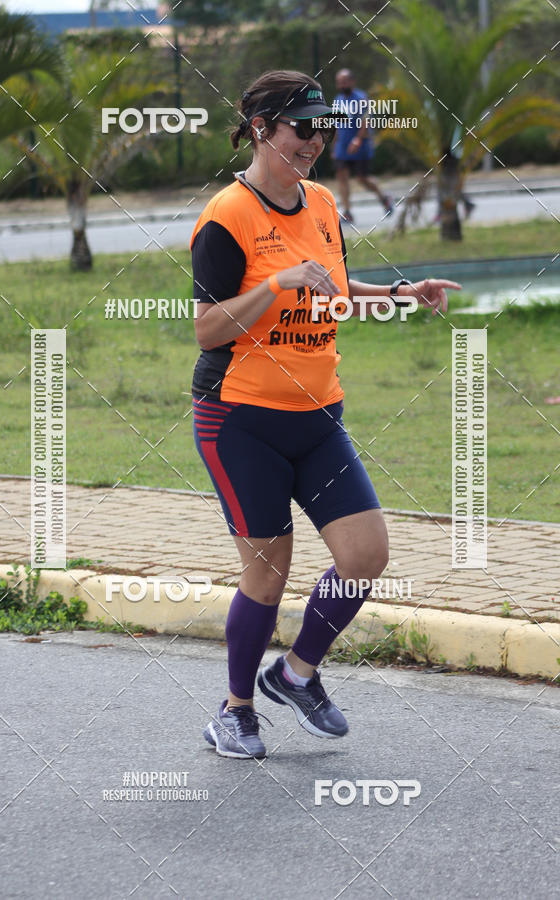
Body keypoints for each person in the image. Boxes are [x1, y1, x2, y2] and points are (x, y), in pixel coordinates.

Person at [190, 70, 460, 760]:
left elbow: (334, 292)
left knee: (366, 554)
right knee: (268, 568)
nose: (316, 142)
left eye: (324, 129)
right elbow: (208, 328)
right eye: (302, 128)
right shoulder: (227, 216)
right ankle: (235, 711)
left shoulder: (318, 206)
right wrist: (275, 285)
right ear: (261, 129)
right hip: (240, 419)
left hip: (317, 417)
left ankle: (296, 673)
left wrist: (401, 291)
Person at [332, 68, 393, 222]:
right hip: (342, 147)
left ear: (352, 82)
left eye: (344, 82)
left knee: (362, 179)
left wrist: (358, 140)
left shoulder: (361, 98)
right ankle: (347, 212)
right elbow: (335, 124)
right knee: (342, 177)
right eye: (339, 82)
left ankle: (384, 198)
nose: (342, 85)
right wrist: (334, 147)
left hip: (360, 147)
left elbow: (366, 121)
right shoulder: (337, 100)